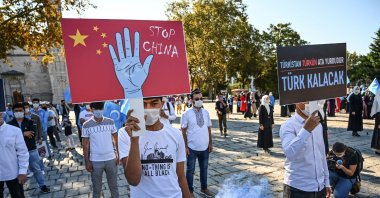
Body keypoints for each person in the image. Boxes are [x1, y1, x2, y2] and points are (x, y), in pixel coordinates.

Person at [118, 97, 190, 197]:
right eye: (143, 104)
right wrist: (134, 139)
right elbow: (133, 180)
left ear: (162, 104)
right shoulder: (125, 134)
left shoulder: (176, 134)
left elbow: (181, 176)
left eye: (154, 103)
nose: (148, 108)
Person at [280, 102, 331, 197]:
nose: (308, 103)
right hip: (298, 188)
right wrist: (306, 130)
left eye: (311, 100)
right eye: (304, 100)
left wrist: (326, 181)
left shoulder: (318, 126)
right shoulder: (288, 125)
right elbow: (289, 153)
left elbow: (321, 155)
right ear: (295, 101)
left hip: (319, 187)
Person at [7, 103, 50, 193]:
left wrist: (18, 135)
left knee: (36, 169)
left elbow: (32, 134)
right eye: (16, 111)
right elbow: (9, 138)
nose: (18, 112)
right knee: (17, 172)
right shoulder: (9, 124)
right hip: (15, 152)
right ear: (13, 112)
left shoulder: (30, 121)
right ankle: (19, 190)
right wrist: (23, 133)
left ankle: (43, 185)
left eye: (20, 110)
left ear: (24, 111)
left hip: (30, 149)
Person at [82, 102, 119, 198]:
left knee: (114, 187)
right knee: (96, 189)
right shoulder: (86, 125)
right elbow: (85, 145)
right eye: (96, 108)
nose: (98, 110)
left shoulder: (110, 122)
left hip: (111, 159)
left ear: (103, 108)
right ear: (91, 109)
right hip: (95, 161)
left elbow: (116, 139)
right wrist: (87, 161)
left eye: (100, 108)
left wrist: (118, 154)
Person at [181, 89, 213, 197]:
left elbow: (209, 128)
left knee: (204, 169)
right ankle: (189, 191)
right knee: (190, 171)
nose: (199, 100)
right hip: (192, 148)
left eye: (201, 98)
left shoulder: (206, 112)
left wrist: (210, 143)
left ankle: (204, 188)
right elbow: (183, 130)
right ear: (191, 100)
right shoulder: (186, 114)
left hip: (205, 147)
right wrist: (185, 146)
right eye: (197, 99)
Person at [0, 111, 29, 198]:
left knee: (17, 195)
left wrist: (23, 171)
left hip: (13, 172)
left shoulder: (14, 130)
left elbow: (22, 152)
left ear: (0, 114)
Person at [370, 89, 380, 155]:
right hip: (379, 118)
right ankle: (378, 149)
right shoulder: (377, 99)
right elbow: (377, 113)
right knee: (378, 135)